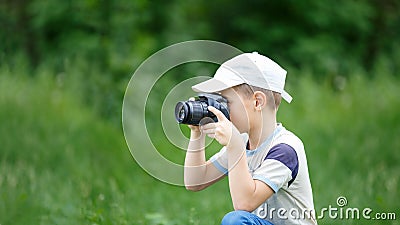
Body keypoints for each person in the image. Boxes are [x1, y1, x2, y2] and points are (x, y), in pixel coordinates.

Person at [183, 52, 317, 225]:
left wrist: (234, 146)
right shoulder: (243, 142)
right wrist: (197, 134)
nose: (220, 109)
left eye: (225, 102)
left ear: (257, 102)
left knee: (235, 220)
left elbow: (244, 203)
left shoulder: (285, 149)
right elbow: (195, 181)